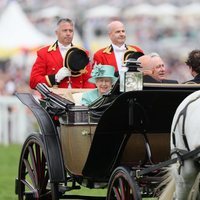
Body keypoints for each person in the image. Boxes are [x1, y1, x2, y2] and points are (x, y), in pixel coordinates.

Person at [29, 18, 95, 89]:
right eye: (65, 30)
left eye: (71, 31)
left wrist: (83, 97)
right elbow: (33, 82)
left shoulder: (82, 53)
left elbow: (89, 80)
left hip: (76, 98)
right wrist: (55, 78)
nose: (68, 33)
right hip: (54, 98)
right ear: (56, 33)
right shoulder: (44, 53)